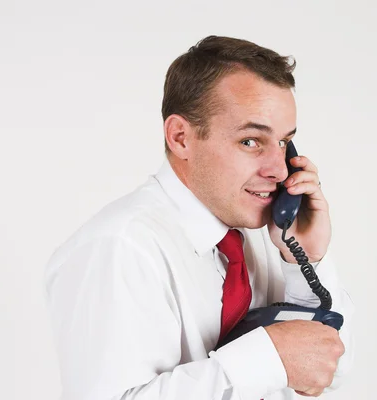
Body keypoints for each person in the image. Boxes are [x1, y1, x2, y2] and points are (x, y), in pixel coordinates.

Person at [45, 35, 354, 400]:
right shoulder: (118, 248)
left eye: (284, 142)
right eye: (251, 141)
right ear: (180, 138)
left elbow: (328, 369)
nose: (277, 169)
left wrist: (304, 260)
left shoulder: (270, 229)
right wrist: (267, 359)